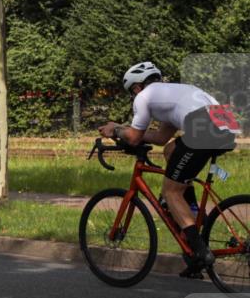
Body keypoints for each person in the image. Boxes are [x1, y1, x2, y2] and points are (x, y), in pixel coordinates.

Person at [99, 62, 240, 277]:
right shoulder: (172, 93)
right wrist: (127, 131)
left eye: (131, 92)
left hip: (202, 126)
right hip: (225, 124)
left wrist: (115, 129)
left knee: (170, 191)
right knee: (171, 149)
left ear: (136, 87)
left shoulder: (143, 97)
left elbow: (135, 138)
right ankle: (191, 220)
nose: (133, 96)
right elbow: (161, 138)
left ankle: (201, 251)